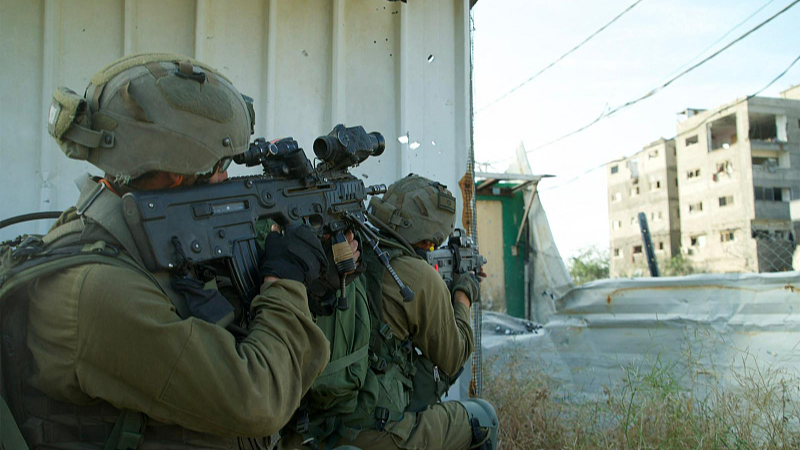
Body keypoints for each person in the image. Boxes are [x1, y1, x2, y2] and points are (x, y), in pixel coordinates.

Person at [0, 53, 333, 450]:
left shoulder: (134, 241)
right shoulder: (98, 291)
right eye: (220, 164)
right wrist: (284, 281)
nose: (226, 177)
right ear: (178, 171)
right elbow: (258, 398)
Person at [279, 174, 497, 450]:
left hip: (306, 428)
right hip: (374, 430)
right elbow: (453, 356)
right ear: (428, 239)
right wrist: (464, 294)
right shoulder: (417, 277)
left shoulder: (349, 248)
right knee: (484, 418)